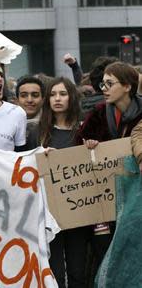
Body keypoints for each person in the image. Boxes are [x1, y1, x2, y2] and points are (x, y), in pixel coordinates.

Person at [77, 61, 142, 283]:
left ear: (127, 86)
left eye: (109, 83)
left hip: (136, 199)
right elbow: (77, 145)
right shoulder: (98, 113)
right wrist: (88, 143)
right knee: (104, 251)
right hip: (103, 198)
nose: (103, 88)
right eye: (102, 83)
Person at [27, 77, 88, 287]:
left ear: (72, 97)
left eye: (62, 94)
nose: (57, 99)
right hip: (48, 213)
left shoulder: (84, 131)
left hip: (79, 212)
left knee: (78, 269)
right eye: (53, 94)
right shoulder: (37, 132)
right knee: (53, 271)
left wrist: (93, 147)